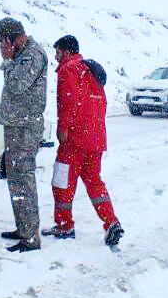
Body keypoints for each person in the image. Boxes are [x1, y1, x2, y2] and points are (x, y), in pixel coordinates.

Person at [42, 35, 124, 247]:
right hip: (95, 139)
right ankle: (111, 222)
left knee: (62, 182)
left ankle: (64, 225)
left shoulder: (69, 69)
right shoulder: (91, 71)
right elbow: (100, 104)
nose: (56, 57)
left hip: (75, 139)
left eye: (58, 52)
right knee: (94, 183)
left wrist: (63, 128)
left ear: (67, 52)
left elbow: (69, 100)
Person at [0, 17, 48, 253]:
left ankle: (30, 237)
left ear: (10, 39)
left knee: (23, 180)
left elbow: (16, 85)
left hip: (25, 129)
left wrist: (7, 62)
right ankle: (23, 228)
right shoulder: (21, 56)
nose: (1, 47)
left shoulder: (32, 55)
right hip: (16, 126)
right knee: (15, 179)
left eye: (2, 42)